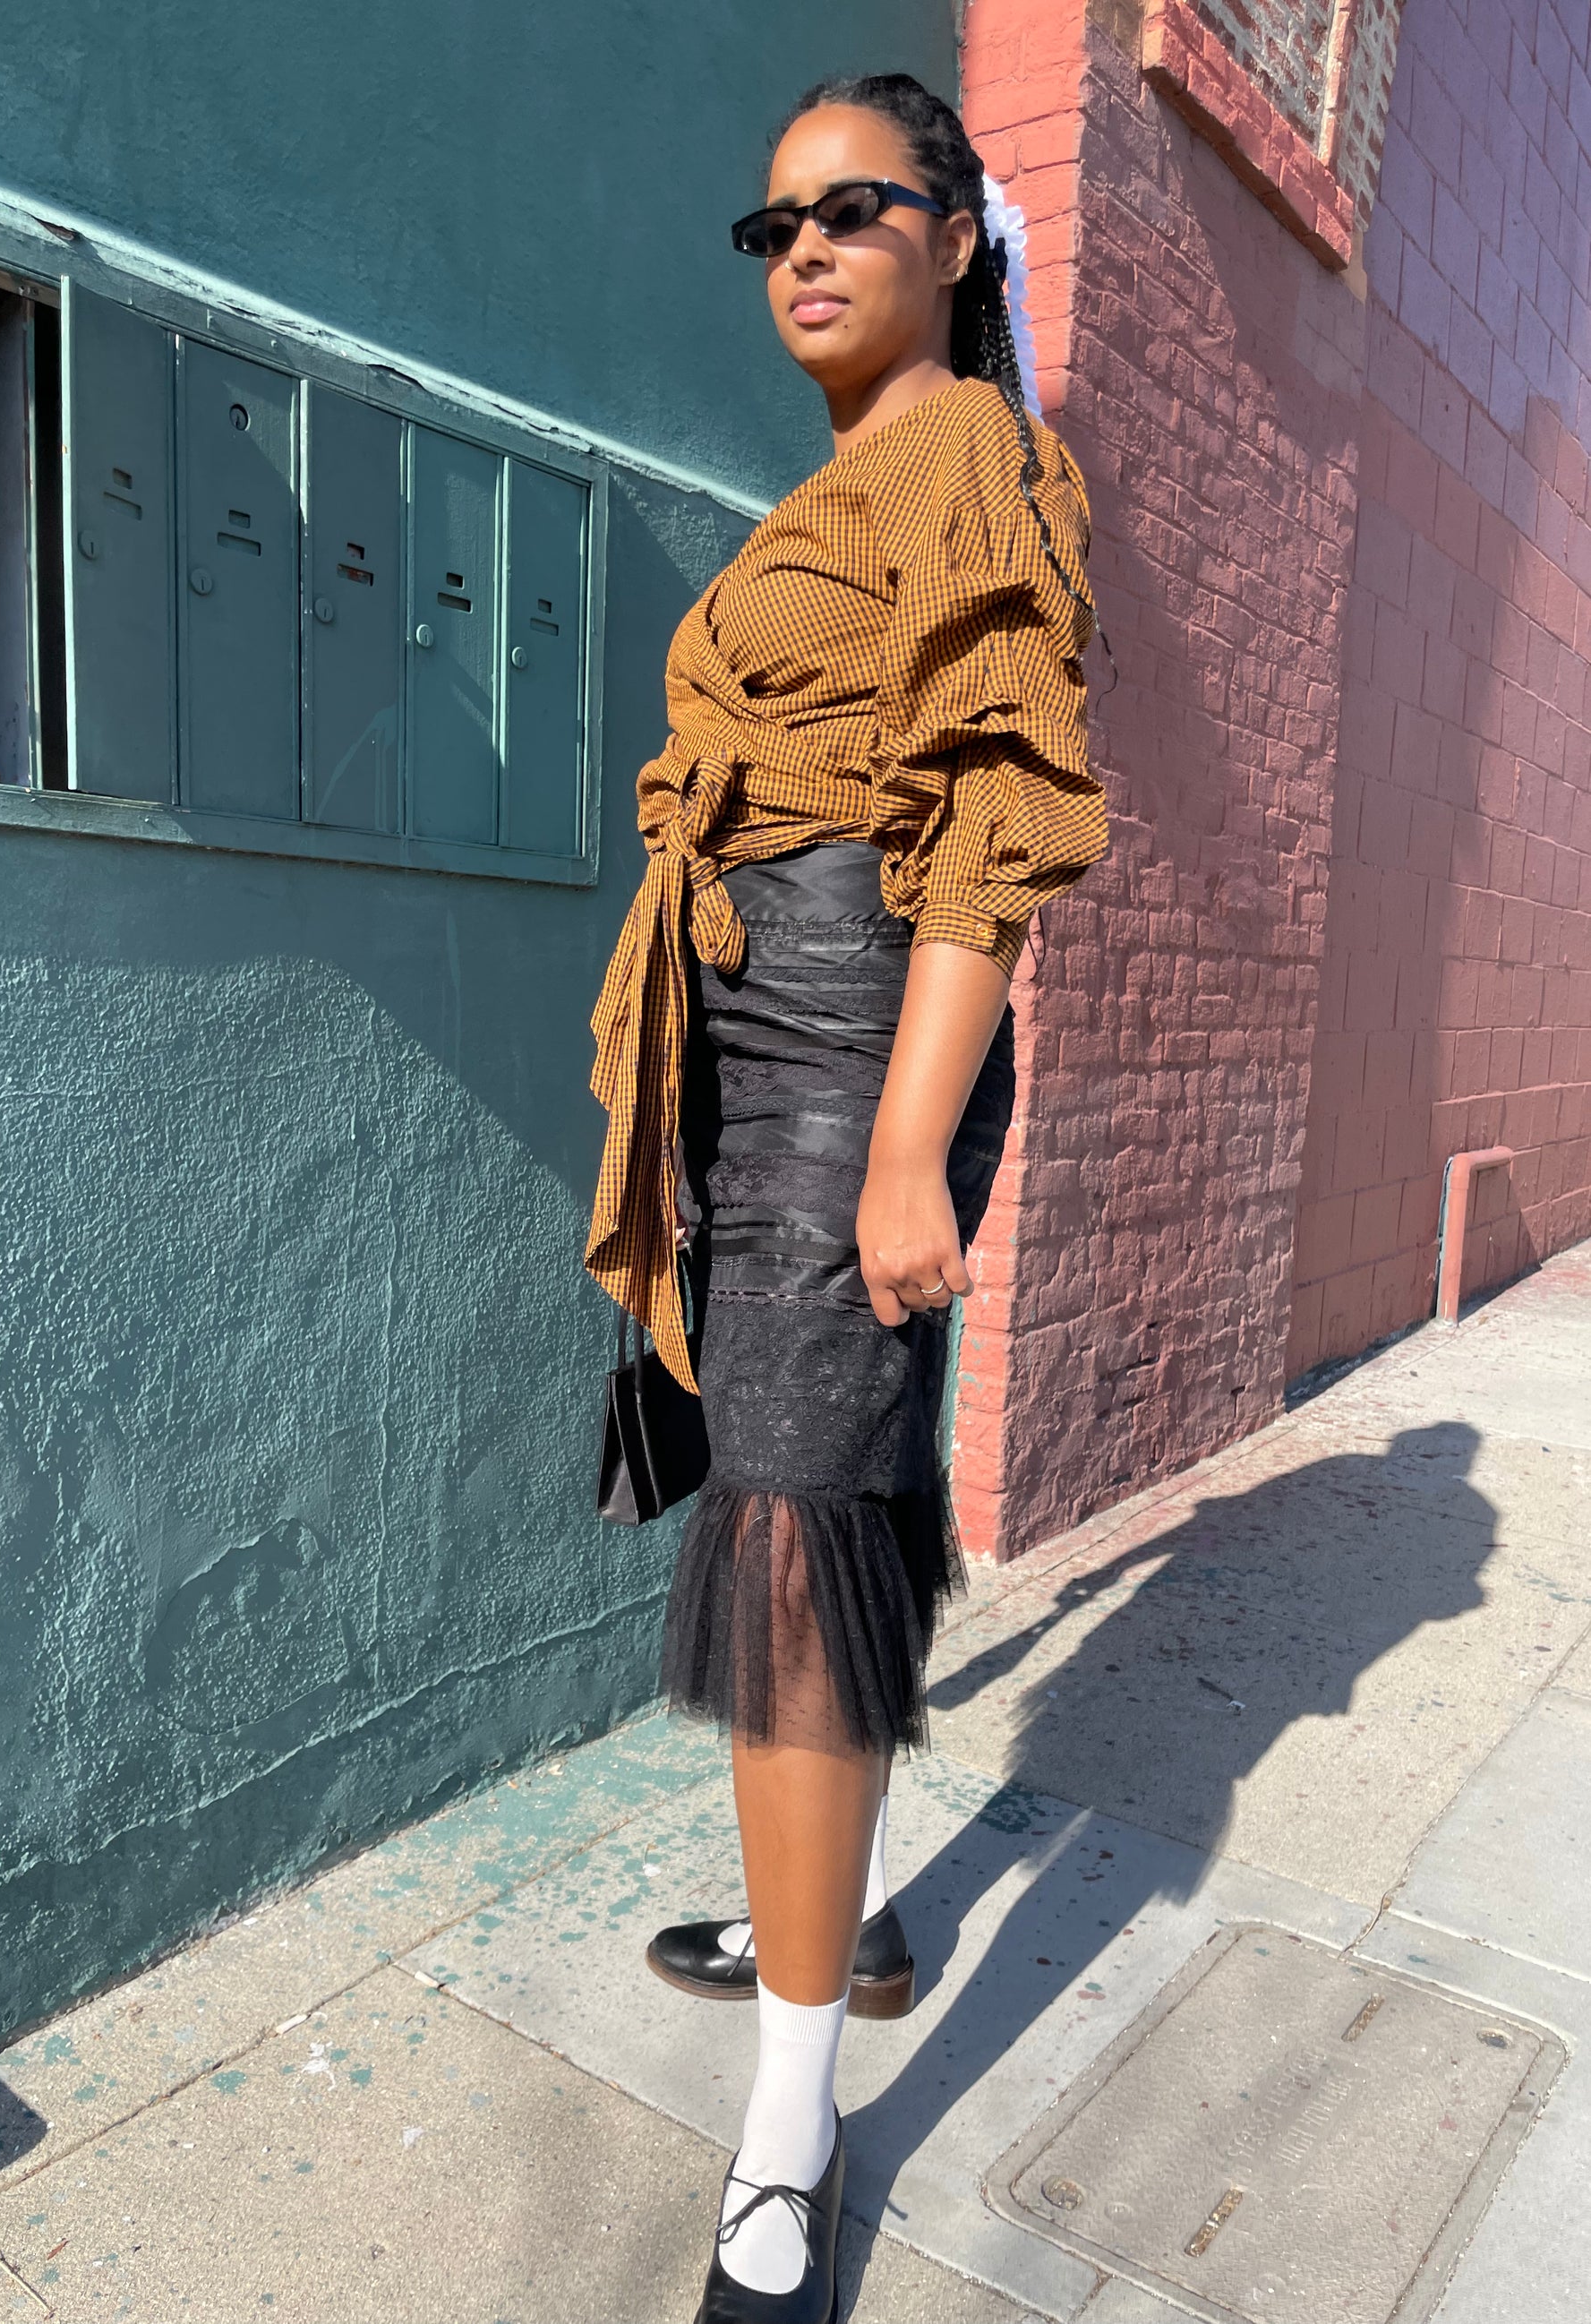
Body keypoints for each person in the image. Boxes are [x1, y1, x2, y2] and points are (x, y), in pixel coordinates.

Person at [585, 70, 1108, 2324]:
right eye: (774, 225)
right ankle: (847, 1925)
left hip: (847, 1035)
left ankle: (790, 2129)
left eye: (856, 210)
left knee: (793, 1523)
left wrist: (908, 1142)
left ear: (959, 237)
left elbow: (998, 801)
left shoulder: (972, 453)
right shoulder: (852, 479)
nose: (802, 248)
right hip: (761, 1029)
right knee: (841, 1496)